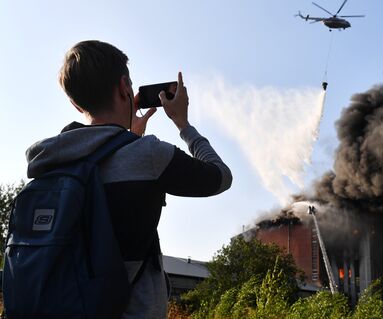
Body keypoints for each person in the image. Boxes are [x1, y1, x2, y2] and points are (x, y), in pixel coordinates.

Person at [25, 40, 232, 318]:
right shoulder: (148, 156)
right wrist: (182, 123)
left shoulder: (50, 161)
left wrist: (126, 139)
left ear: (75, 104)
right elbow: (220, 176)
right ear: (125, 88)